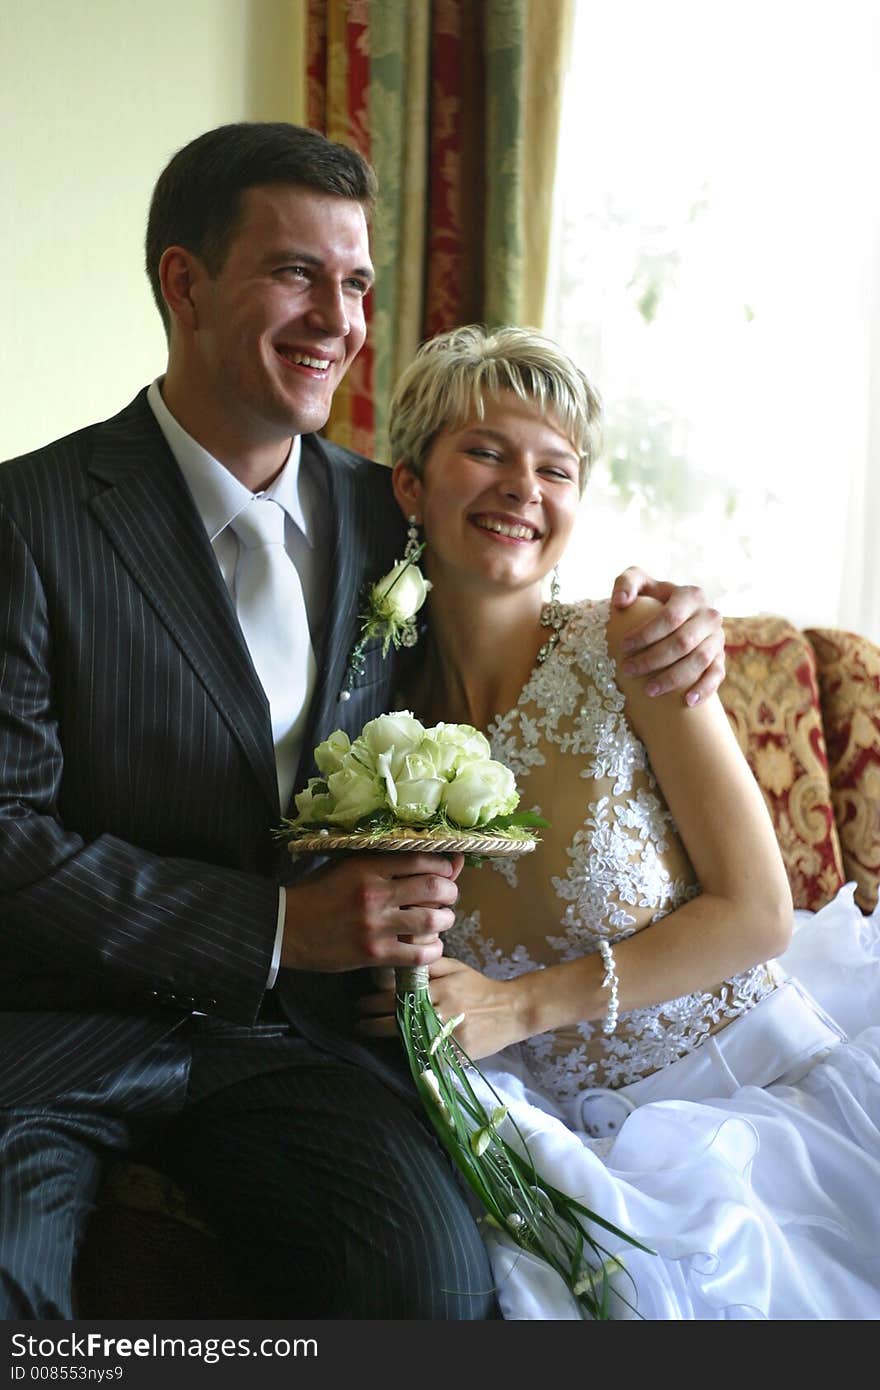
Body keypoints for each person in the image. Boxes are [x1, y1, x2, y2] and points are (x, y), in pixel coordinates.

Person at [0, 123, 726, 1321]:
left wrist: (684, 623)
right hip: (60, 1028)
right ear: (185, 283)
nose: (337, 319)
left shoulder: (396, 515)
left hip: (301, 1051)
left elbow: (530, 577)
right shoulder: (30, 520)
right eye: (295, 272)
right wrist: (277, 926)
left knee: (430, 1290)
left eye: (355, 284)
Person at [356, 323, 880, 1320]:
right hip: (573, 1142)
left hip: (760, 1105)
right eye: (486, 451)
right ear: (411, 484)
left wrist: (519, 1007)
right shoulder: (379, 722)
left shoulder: (635, 642)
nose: (524, 486)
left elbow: (760, 913)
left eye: (556, 467)